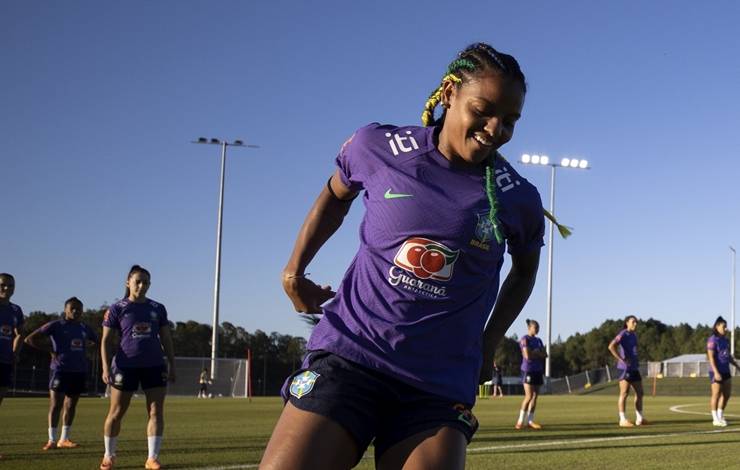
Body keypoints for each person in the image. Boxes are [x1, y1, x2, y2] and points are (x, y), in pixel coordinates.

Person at [259, 42, 545, 470]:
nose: (494, 128)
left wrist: (488, 340)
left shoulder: (517, 198)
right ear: (449, 94)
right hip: (351, 354)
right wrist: (294, 269)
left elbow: (523, 273)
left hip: (437, 383)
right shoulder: (378, 147)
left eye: (509, 120)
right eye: (482, 110)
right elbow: (335, 197)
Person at [99, 265, 176, 470]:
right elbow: (106, 340)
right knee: (116, 412)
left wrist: (172, 363)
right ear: (128, 282)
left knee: (156, 411)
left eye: (146, 282)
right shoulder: (117, 308)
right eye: (138, 281)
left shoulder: (157, 308)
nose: (142, 286)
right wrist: (106, 368)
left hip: (154, 365)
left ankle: (152, 457)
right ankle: (109, 455)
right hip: (126, 367)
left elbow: (166, 338)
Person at [25, 296, 97, 450]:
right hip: (60, 370)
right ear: (65, 310)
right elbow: (29, 339)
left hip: (79, 370)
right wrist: (50, 350)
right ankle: (51, 439)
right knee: (56, 404)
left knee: (71, 405)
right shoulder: (56, 325)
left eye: (79, 308)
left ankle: (64, 439)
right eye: (73, 308)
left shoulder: (85, 328)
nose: (76, 311)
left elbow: (97, 341)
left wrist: (89, 346)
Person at [0, 273, 24, 460]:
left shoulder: (16, 310)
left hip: (5, 361)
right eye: (3, 284)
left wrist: (15, 353)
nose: (6, 288)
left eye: (10, 285)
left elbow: (19, 334)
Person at [608, 315, 648, 427]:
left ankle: (640, 419)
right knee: (624, 393)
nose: (635, 324)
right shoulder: (623, 334)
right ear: (627, 323)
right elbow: (611, 346)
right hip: (624, 368)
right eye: (633, 322)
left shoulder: (634, 335)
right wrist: (621, 359)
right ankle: (622, 420)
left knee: (640, 393)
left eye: (636, 322)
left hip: (634, 368)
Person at [707, 316, 740, 427]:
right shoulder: (712, 340)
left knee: (726, 395)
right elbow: (711, 357)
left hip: (726, 371)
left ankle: (720, 415)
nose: (726, 329)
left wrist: (736, 365)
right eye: (724, 327)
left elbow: (727, 356)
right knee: (716, 394)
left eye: (726, 327)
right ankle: (715, 418)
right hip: (716, 371)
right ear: (717, 326)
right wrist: (716, 372)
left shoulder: (725, 340)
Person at [515, 319, 546, 429]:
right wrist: (537, 353)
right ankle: (520, 421)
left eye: (538, 327)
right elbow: (527, 356)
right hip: (528, 370)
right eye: (535, 327)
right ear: (530, 328)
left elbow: (545, 355)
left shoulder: (539, 340)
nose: (537, 329)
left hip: (538, 370)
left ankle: (530, 421)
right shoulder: (525, 339)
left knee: (535, 396)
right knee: (528, 396)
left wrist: (536, 353)